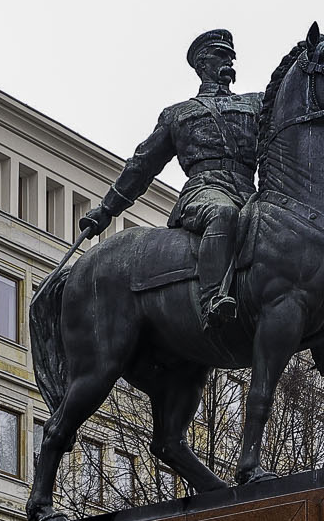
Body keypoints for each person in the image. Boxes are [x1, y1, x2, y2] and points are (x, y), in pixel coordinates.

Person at [79, 29, 260, 328]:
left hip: (248, 191)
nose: (229, 61)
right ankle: (213, 299)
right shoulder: (178, 114)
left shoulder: (254, 105)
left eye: (231, 56)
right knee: (223, 213)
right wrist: (106, 210)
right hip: (204, 189)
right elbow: (142, 165)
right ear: (202, 65)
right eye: (221, 55)